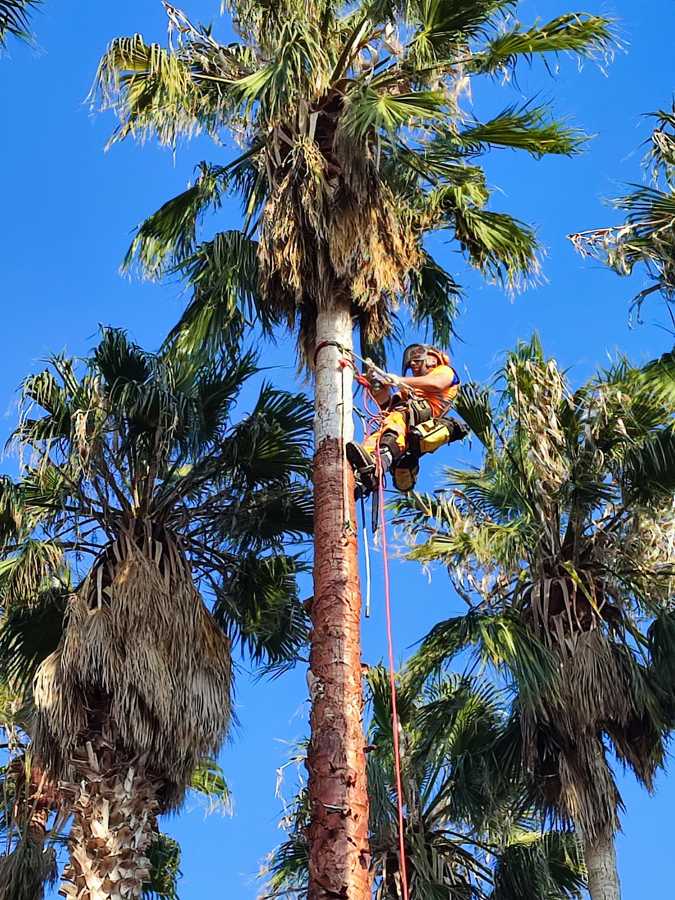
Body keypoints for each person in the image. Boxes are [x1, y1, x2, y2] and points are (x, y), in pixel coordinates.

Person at [346, 344, 469, 496]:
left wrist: (398, 380)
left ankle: (378, 463)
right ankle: (360, 481)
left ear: (432, 359)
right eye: (411, 363)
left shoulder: (444, 371)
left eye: (417, 360)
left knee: (395, 425)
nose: (412, 364)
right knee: (375, 439)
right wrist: (377, 387)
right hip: (402, 420)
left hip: (419, 416)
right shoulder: (409, 389)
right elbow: (387, 406)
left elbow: (436, 384)